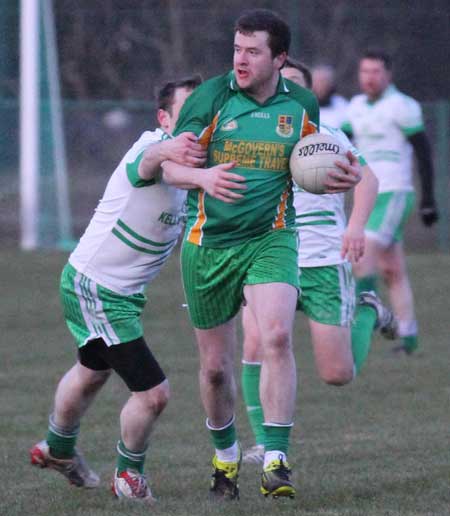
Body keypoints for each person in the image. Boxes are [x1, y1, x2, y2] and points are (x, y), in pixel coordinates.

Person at [161, 9, 361, 500]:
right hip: (208, 244)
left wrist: (344, 175)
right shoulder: (210, 99)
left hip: (272, 237)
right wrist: (202, 176)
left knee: (274, 334)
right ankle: (225, 460)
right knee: (215, 368)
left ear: (280, 58)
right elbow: (169, 169)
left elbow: (316, 162)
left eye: (253, 51)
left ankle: (275, 459)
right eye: (236, 49)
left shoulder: (301, 104)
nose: (241, 60)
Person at [29, 76, 211, 503]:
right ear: (164, 118)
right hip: (98, 289)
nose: (197, 124)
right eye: (188, 114)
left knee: (92, 371)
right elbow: (156, 163)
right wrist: (182, 159)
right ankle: (128, 478)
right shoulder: (151, 149)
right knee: (153, 394)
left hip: (104, 288)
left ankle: (57, 449)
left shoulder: (195, 159)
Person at [241, 57, 397, 464]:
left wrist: (356, 227)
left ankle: (366, 312)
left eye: (294, 84)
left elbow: (370, 180)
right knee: (257, 343)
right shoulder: (250, 136)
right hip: (269, 258)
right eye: (280, 83)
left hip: (324, 261)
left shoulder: (325, 138)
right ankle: (266, 445)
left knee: (336, 374)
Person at [342, 49, 439, 354]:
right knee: (392, 269)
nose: (369, 78)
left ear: (388, 74)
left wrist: (428, 199)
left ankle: (365, 321)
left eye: (376, 72)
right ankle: (408, 337)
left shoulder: (403, 105)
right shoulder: (355, 107)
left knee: (362, 252)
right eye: (365, 72)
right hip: (367, 193)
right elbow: (337, 142)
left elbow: (423, 152)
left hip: (395, 191)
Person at [312, 64, 349, 129]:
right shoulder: (304, 107)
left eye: (323, 81)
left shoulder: (342, 105)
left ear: (330, 83)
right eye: (317, 82)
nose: (320, 86)